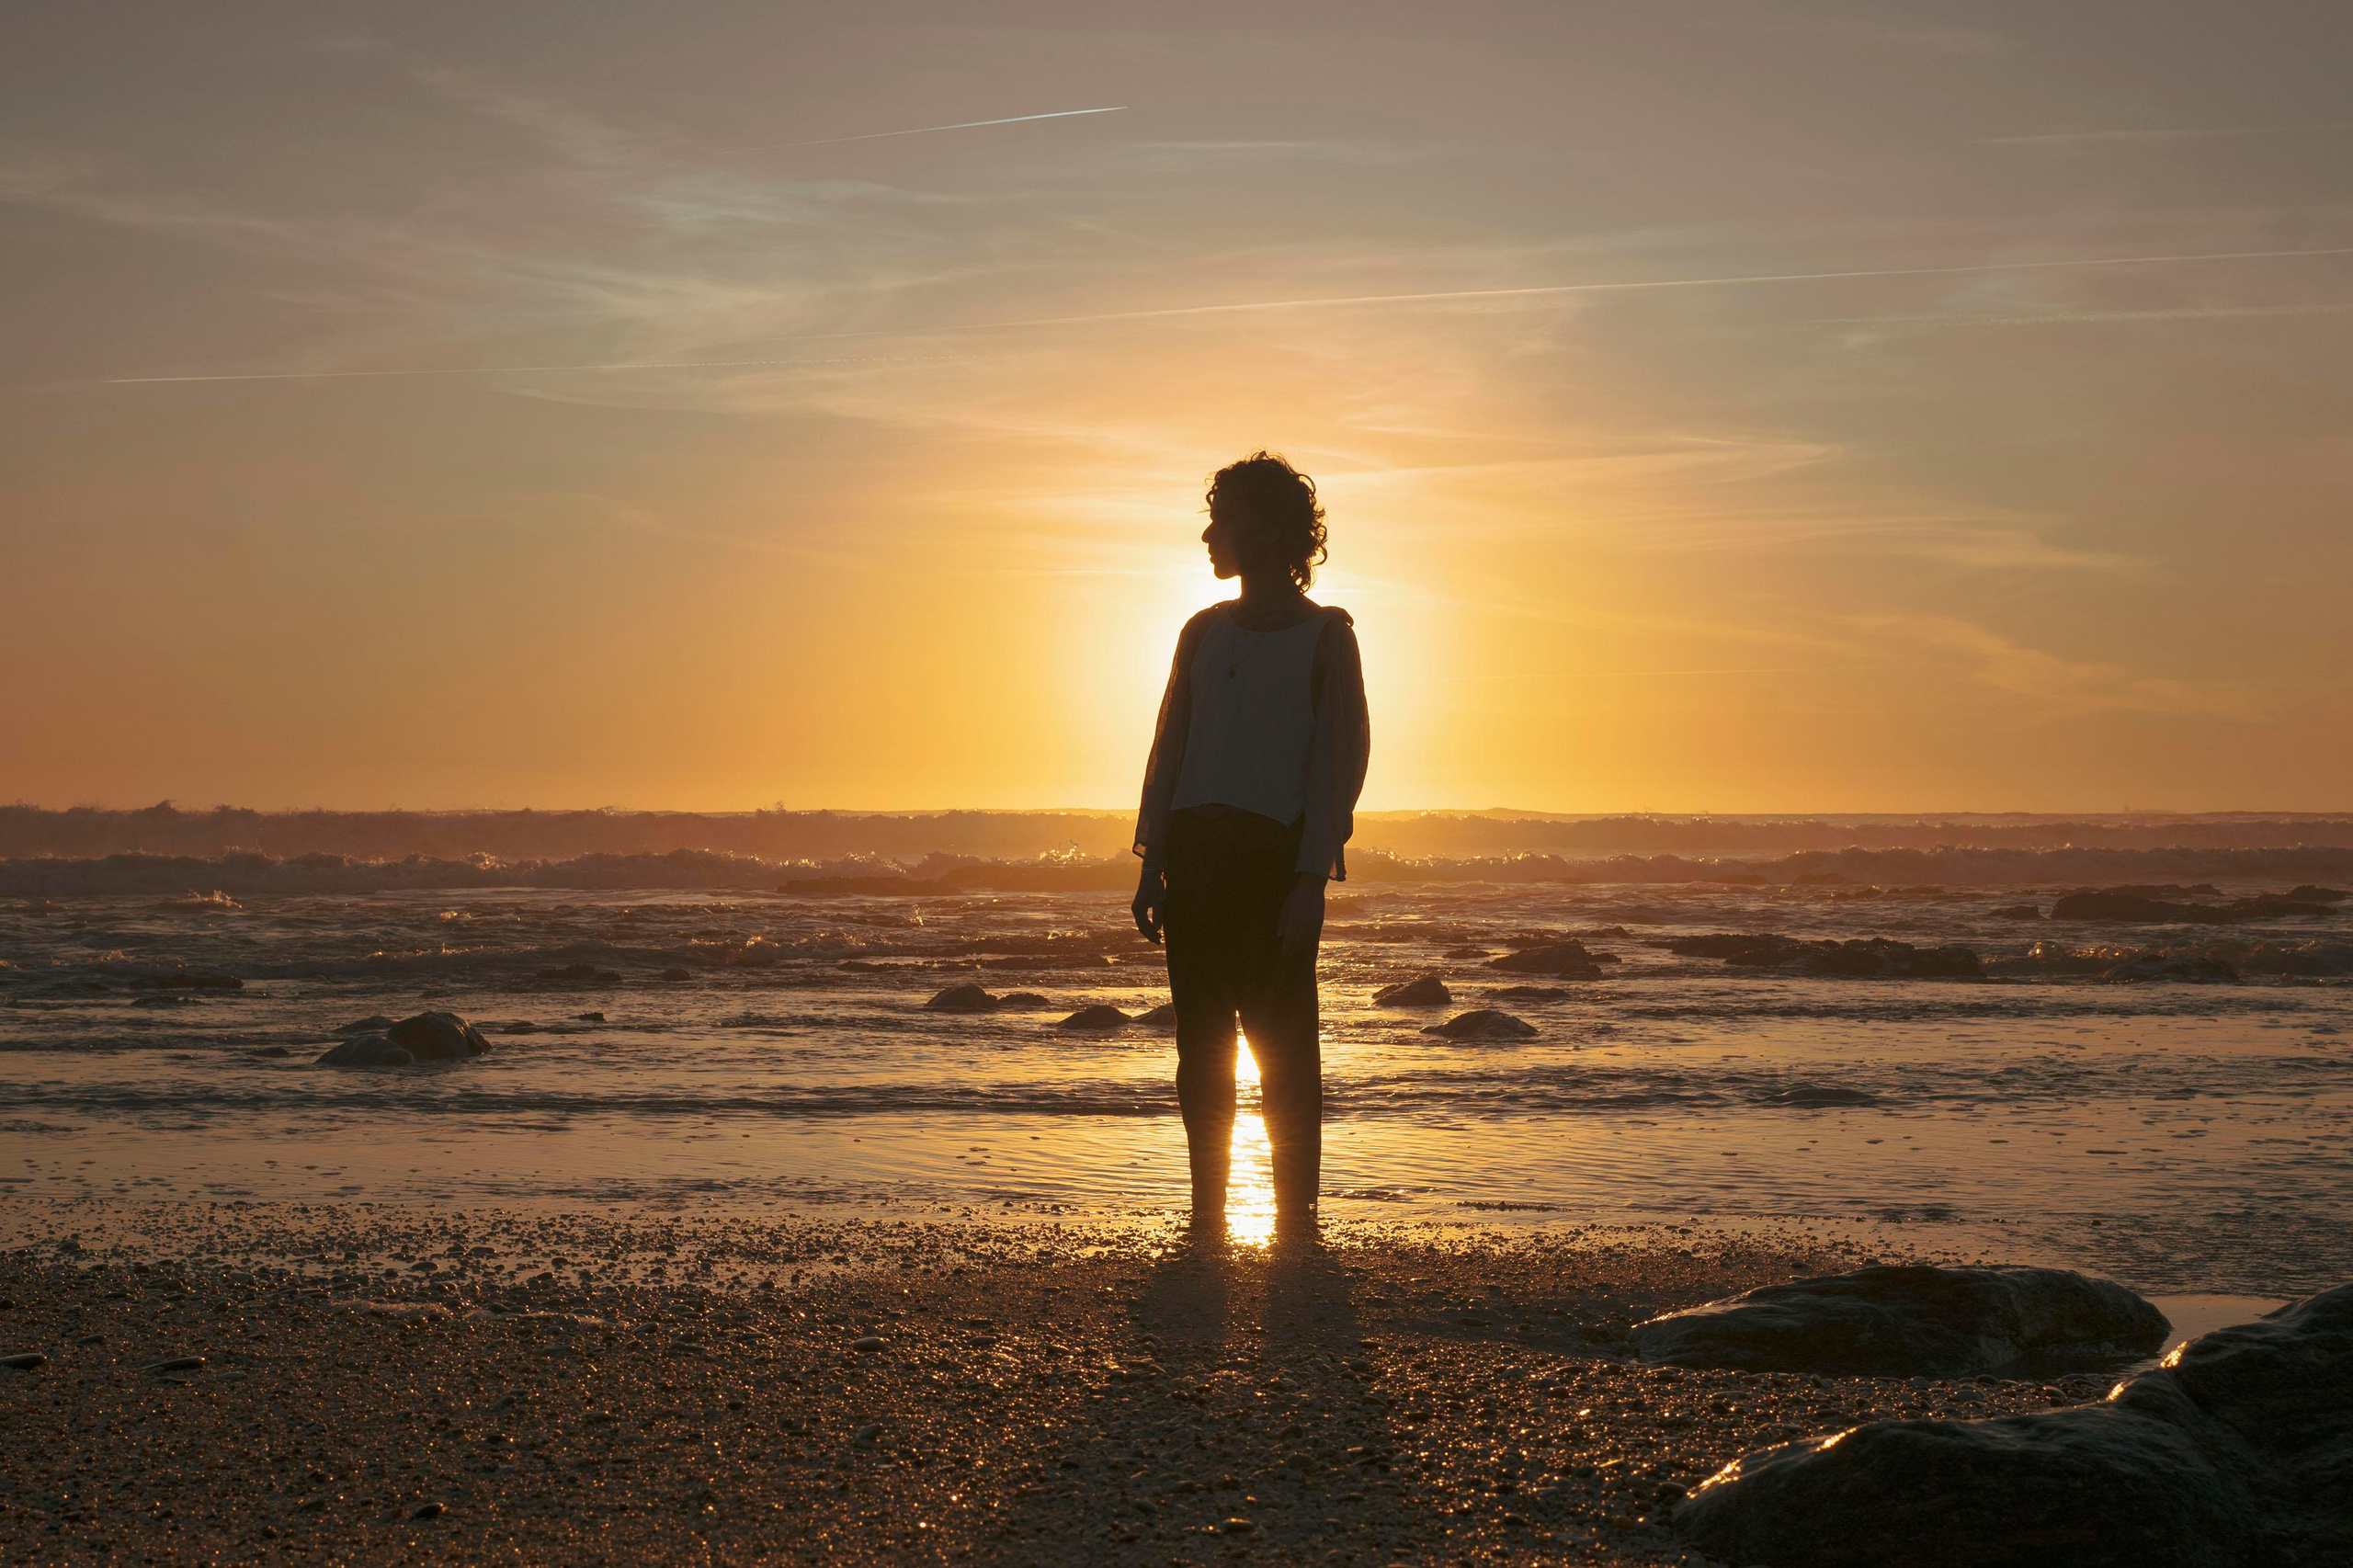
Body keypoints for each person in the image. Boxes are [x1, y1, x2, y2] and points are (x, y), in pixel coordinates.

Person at [1131, 451, 1370, 1236]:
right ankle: (1208, 1216)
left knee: (1283, 1050)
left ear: (1267, 530)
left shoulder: (1326, 637)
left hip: (1272, 862)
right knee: (1200, 1047)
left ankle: (1295, 1221)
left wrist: (1311, 879)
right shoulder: (1200, 631)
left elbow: (1336, 764)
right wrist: (1153, 860)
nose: (1209, 534)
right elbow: (1171, 748)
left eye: (1225, 519)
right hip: (1195, 857)